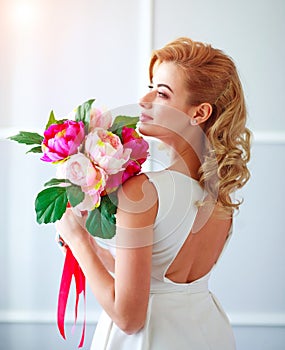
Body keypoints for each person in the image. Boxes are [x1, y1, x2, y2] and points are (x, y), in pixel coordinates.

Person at [55, 37, 251, 349]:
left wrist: (78, 240)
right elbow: (159, 275)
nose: (144, 99)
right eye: (151, 86)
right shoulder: (219, 194)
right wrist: (96, 248)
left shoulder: (144, 191)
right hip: (206, 333)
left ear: (199, 113)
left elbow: (128, 317)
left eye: (161, 93)